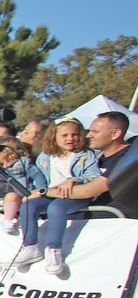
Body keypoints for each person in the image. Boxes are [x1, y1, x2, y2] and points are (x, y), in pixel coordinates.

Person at [11, 118, 103, 278]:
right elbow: (38, 176)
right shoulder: (45, 156)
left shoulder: (87, 155)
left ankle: (54, 250)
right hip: (50, 194)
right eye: (64, 135)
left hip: (73, 195)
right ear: (54, 136)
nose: (70, 139)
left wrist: (75, 179)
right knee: (28, 206)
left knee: (56, 208)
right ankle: (30, 246)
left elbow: (93, 175)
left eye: (75, 135)